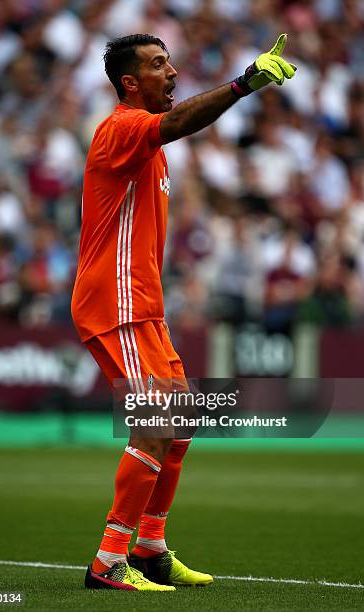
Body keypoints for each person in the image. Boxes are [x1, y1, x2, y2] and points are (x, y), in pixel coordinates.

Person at [71, 33, 296, 592]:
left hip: (143, 305)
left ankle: (149, 547)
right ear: (130, 83)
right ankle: (109, 560)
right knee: (154, 423)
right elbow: (176, 123)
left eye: (169, 61)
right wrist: (243, 84)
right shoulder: (121, 129)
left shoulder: (148, 145)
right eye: (157, 64)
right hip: (114, 302)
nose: (171, 72)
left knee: (180, 421)